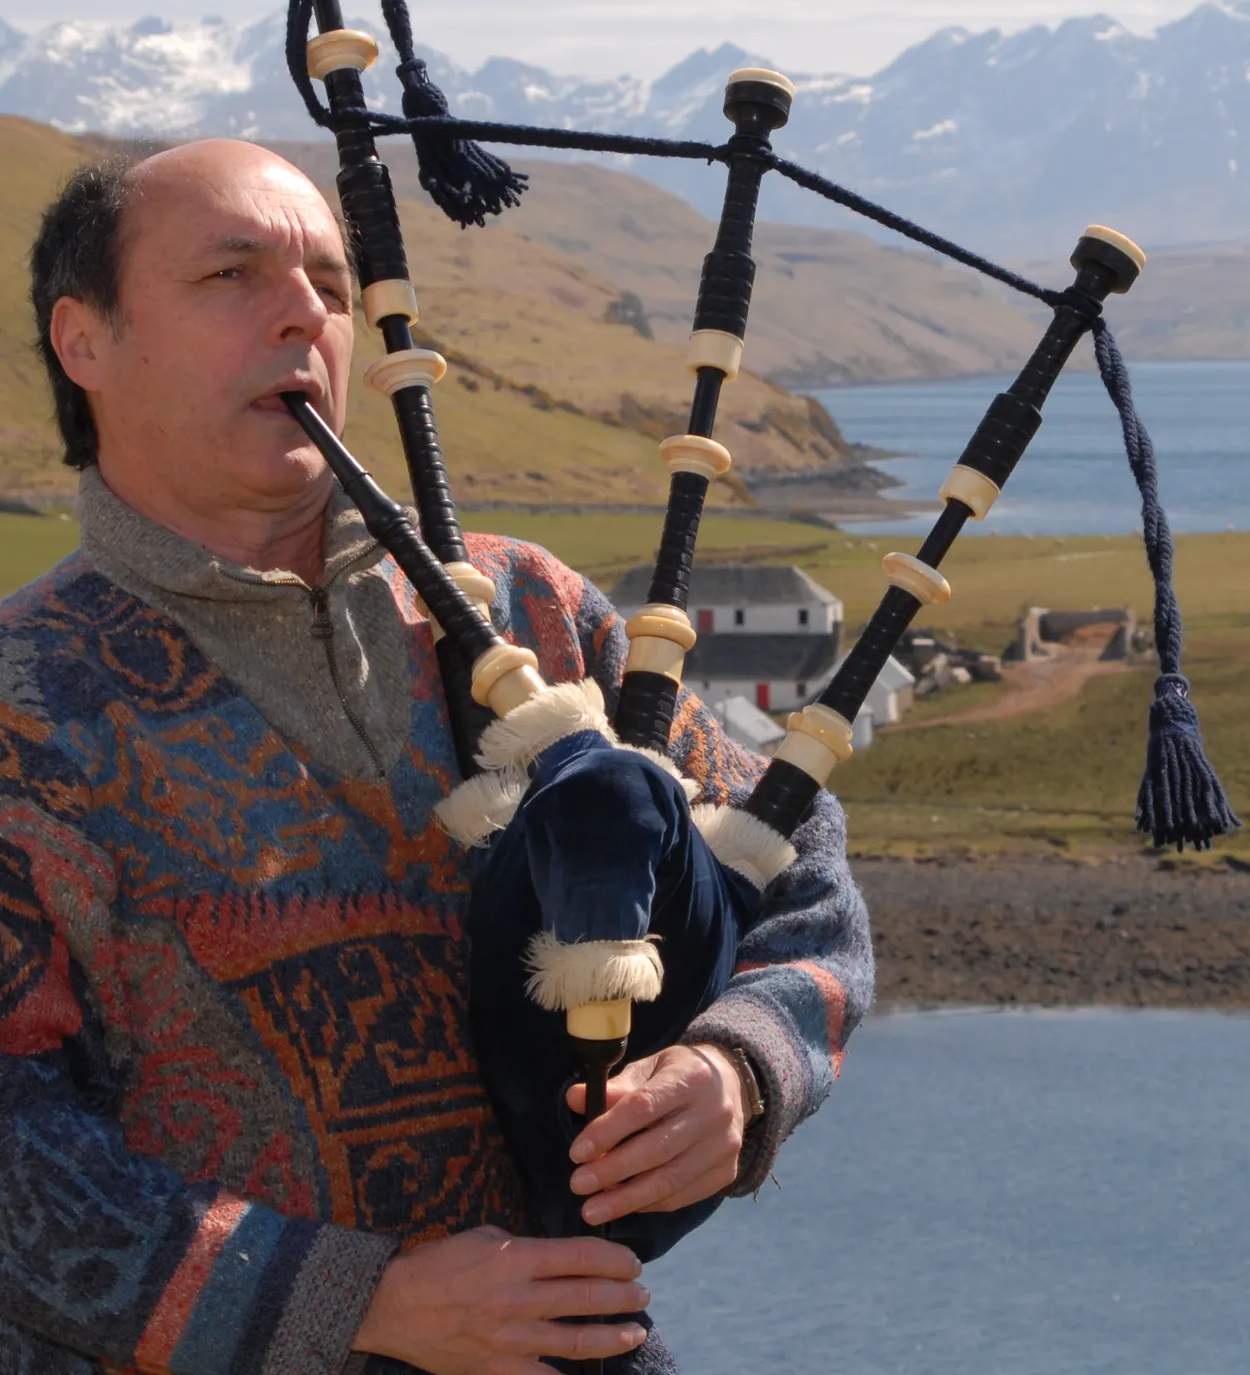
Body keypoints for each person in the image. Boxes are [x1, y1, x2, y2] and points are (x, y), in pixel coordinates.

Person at [0, 139, 872, 1374]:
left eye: (330, 285)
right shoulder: (20, 702)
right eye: (230, 275)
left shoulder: (534, 610)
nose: (304, 311)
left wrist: (739, 1067)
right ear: (83, 341)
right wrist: (354, 1301)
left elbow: (793, 862)